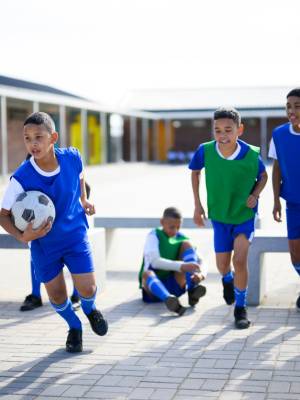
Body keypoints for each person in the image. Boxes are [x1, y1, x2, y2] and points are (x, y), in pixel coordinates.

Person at [0, 111, 108, 353]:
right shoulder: (21, 178)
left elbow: (80, 177)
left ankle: (90, 310)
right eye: (27, 138)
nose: (33, 144)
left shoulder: (72, 158)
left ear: (53, 138)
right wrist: (22, 237)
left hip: (74, 236)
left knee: (88, 289)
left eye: (39, 137)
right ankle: (74, 326)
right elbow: (3, 215)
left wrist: (83, 200)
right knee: (58, 296)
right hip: (43, 244)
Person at [189, 107, 268, 329]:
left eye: (228, 130)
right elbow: (195, 172)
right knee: (222, 265)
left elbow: (263, 175)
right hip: (220, 217)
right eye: (217, 130)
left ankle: (240, 308)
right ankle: (227, 280)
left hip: (244, 216)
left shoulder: (251, 153)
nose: (222, 136)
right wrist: (197, 205)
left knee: (240, 260)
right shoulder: (205, 151)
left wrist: (255, 194)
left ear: (239, 130)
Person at [19, 155, 91, 312]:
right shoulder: (25, 169)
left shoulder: (63, 163)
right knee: (36, 255)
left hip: (67, 226)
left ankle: (76, 295)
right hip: (39, 226)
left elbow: (82, 182)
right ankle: (36, 295)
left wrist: (83, 199)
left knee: (74, 257)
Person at [139, 207, 207, 316]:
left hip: (174, 285)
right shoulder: (154, 235)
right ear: (162, 222)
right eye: (171, 227)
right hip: (152, 290)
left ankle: (192, 289)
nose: (175, 230)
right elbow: (155, 262)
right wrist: (182, 266)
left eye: (178, 227)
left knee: (187, 244)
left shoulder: (181, 238)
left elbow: (201, 261)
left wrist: (201, 274)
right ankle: (169, 300)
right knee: (146, 274)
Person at [269, 88, 300, 310]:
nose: (292, 110)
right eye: (288, 106)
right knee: (295, 254)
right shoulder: (279, 134)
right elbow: (277, 168)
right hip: (292, 202)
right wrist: (276, 200)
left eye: (297, 106)